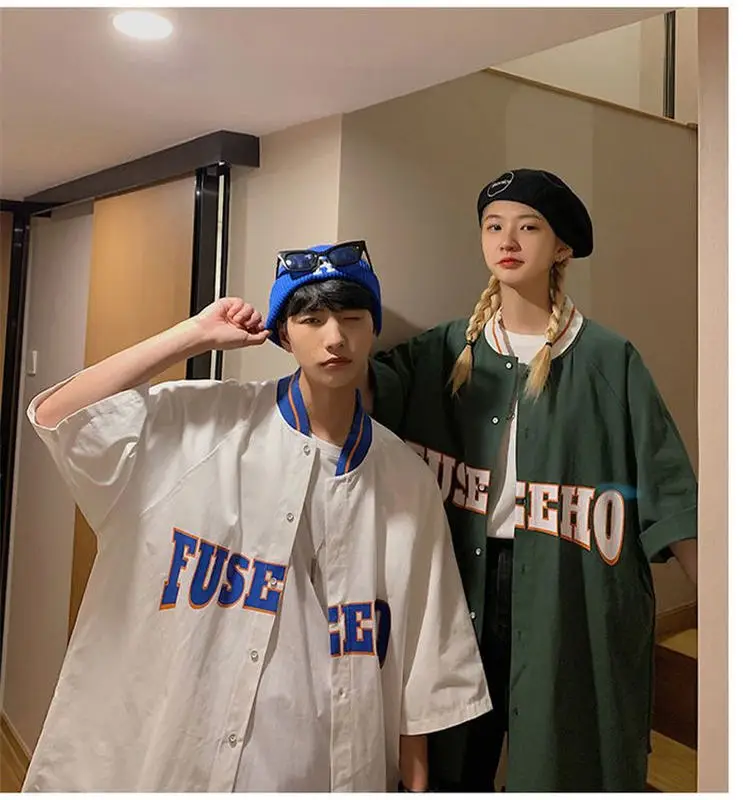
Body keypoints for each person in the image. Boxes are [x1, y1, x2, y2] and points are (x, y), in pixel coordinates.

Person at [22, 240, 491, 793]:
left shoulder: (405, 479)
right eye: (311, 320)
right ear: (283, 334)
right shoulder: (203, 426)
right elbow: (58, 415)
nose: (335, 338)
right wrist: (193, 334)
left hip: (315, 766)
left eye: (352, 319)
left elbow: (423, 662)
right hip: (179, 758)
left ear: (372, 330)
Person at [364, 170, 698, 792]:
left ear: (561, 246)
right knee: (450, 749)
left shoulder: (606, 359)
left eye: (529, 227)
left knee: (563, 751)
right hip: (462, 584)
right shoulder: (444, 352)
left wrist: (729, 618)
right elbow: (361, 398)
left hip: (567, 587)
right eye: (494, 226)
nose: (507, 240)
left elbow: (671, 491)